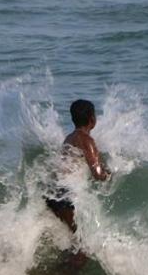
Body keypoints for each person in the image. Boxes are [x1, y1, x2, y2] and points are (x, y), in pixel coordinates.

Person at [45, 98, 109, 235]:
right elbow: (98, 174)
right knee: (81, 243)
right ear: (92, 119)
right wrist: (110, 174)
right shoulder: (87, 140)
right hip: (66, 196)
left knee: (73, 241)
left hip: (54, 194)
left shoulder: (69, 138)